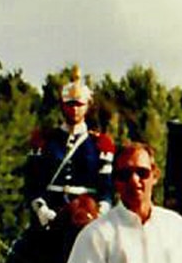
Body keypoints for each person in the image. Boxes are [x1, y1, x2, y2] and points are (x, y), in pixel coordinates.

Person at [21, 70, 115, 225]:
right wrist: (41, 209)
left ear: (87, 106)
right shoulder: (44, 140)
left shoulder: (100, 143)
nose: (74, 109)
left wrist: (100, 213)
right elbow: (32, 183)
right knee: (20, 248)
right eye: (70, 104)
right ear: (62, 106)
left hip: (87, 214)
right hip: (50, 212)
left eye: (79, 104)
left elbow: (106, 188)